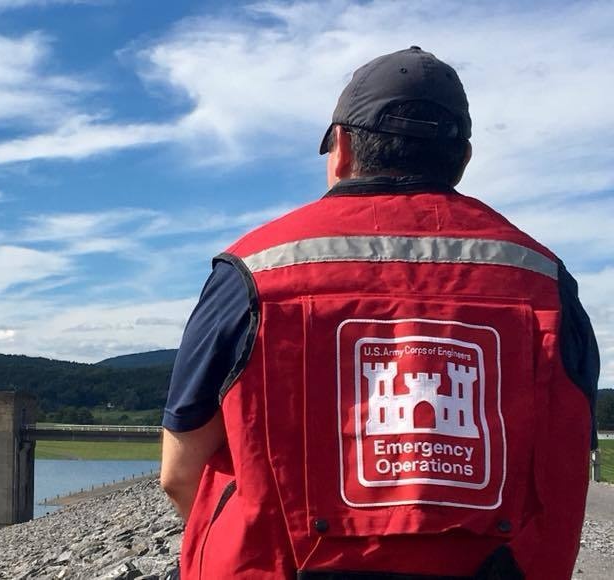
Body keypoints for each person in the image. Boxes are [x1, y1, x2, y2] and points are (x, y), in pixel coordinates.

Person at [160, 47, 599, 580]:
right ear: (462, 158)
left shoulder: (252, 270)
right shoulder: (546, 280)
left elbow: (179, 472)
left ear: (340, 149)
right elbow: (566, 463)